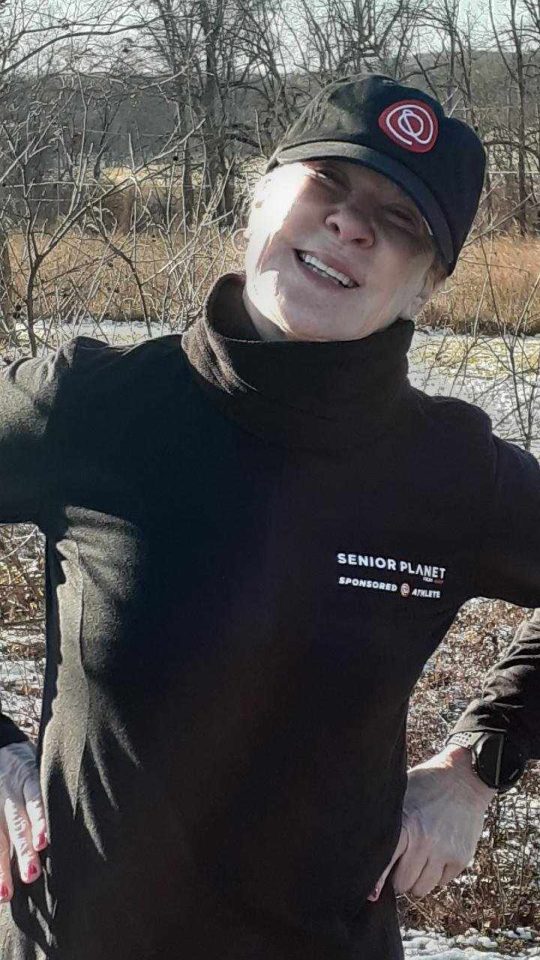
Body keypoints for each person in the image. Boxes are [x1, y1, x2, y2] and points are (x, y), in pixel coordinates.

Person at [0, 73, 538, 960]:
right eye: (331, 181)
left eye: (401, 221)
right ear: (262, 195)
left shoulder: (451, 474)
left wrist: (480, 765)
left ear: (426, 287)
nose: (352, 223)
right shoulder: (94, 410)